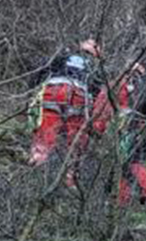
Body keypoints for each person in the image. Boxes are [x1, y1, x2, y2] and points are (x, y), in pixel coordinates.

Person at [93, 62, 146, 207]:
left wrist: (97, 133)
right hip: (145, 134)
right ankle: (120, 204)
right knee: (125, 167)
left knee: (128, 165)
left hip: (123, 133)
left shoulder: (115, 85)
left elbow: (102, 111)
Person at [29, 39, 106, 175]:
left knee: (47, 127)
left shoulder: (63, 56)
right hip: (79, 95)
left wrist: (32, 89)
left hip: (54, 90)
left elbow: (42, 69)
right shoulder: (94, 66)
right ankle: (72, 173)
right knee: (75, 135)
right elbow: (96, 91)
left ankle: (37, 161)